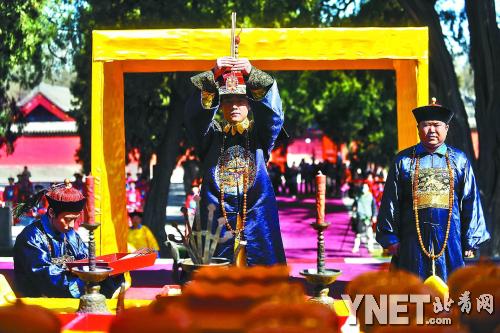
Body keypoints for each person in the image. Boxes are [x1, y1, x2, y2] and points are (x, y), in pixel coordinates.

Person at [185, 55, 286, 266]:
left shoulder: (260, 135)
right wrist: (213, 75)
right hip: (215, 222)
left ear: (249, 105)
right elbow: (195, 119)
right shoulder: (211, 137)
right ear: (220, 106)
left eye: (240, 101)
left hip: (257, 219)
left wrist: (252, 74)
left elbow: (273, 117)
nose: (234, 106)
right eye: (228, 101)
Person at [376, 98, 490, 281]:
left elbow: (470, 201)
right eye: (426, 125)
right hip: (411, 241)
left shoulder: (459, 161)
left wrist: (470, 240)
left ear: (446, 128)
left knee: (451, 292)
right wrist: (390, 239)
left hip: (450, 241)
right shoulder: (403, 161)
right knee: (412, 293)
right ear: (418, 128)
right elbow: (391, 202)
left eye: (437, 125)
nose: (432, 130)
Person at [13, 181, 123, 298]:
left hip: (68, 299)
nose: (71, 225)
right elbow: (46, 279)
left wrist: (107, 274)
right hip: (37, 305)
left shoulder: (71, 235)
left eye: (75, 220)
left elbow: (85, 261)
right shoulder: (31, 237)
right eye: (67, 219)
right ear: (51, 213)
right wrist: (88, 283)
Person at [352, 183, 377, 253]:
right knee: (358, 234)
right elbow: (354, 205)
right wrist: (354, 209)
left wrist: (374, 215)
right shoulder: (358, 196)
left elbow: (374, 207)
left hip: (368, 217)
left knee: (369, 233)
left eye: (365, 188)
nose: (364, 190)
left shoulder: (371, 197)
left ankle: (370, 248)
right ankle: (356, 248)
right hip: (360, 217)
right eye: (363, 188)